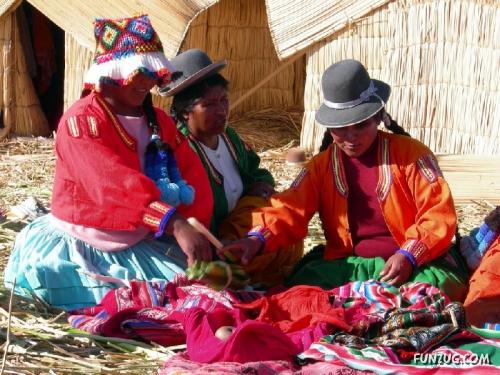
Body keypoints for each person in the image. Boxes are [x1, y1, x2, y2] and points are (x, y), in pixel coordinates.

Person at [4, 15, 215, 311]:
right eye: (136, 73)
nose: (145, 82)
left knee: (213, 293)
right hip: (90, 241)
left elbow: (190, 175)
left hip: (145, 235)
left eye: (150, 72)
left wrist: (199, 230)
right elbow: (111, 184)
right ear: (110, 74)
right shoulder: (80, 123)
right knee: (179, 305)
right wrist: (175, 223)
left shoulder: (160, 122)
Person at [221, 59, 469, 302]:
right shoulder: (321, 166)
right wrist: (256, 239)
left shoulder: (412, 156)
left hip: (412, 267)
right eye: (340, 128)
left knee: (427, 296)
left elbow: (437, 215)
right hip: (347, 267)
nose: (350, 138)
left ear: (378, 117)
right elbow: (289, 208)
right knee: (300, 296)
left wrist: (409, 255)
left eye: (360, 125)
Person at [161, 49, 303, 286]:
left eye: (223, 100)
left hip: (246, 229)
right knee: (236, 267)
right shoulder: (181, 151)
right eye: (209, 104)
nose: (221, 111)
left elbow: (256, 170)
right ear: (186, 112)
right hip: (216, 244)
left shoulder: (230, 138)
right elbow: (191, 213)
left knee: (287, 233)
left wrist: (262, 185)